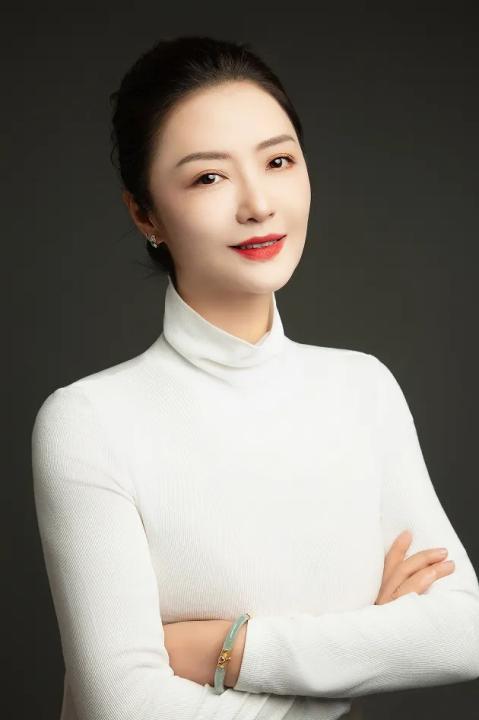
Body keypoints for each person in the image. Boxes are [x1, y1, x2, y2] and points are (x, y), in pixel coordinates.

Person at [31, 35, 479, 720]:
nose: (258, 204)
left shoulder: (361, 389)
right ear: (145, 213)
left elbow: (463, 632)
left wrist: (227, 648)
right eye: (209, 177)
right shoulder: (89, 421)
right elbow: (121, 705)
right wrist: (363, 649)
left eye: (277, 161)